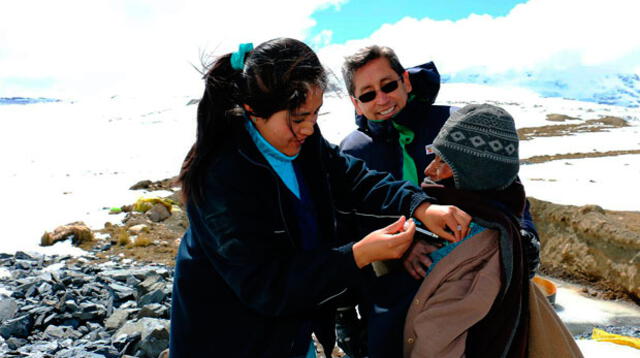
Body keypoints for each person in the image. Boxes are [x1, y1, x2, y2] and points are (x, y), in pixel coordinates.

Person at [169, 38, 472, 357]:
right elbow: (267, 286)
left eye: (315, 115)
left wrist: (421, 206)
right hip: (228, 342)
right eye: (299, 118)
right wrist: (358, 255)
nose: (309, 129)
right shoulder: (223, 176)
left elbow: (357, 178)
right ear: (253, 111)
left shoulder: (304, 145)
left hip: (289, 336)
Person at [335, 46, 541, 357]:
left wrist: (524, 235)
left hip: (468, 281)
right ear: (355, 102)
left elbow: (504, 183)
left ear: (405, 80)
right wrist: (345, 317)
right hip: (388, 289)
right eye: (367, 94)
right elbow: (344, 229)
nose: (382, 99)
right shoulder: (352, 152)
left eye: (388, 85)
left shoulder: (449, 124)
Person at [399, 103, 581, 357]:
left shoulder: (476, 247)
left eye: (444, 162)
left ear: (474, 175)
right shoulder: (470, 221)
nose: (429, 171)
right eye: (434, 157)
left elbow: (437, 341)